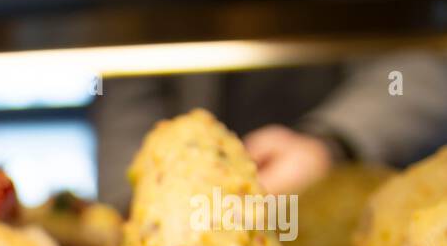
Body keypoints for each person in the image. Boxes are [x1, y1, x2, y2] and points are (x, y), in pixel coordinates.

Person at [92, 49, 447, 205]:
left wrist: (326, 144)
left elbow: (421, 67)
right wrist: (140, 200)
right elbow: (127, 90)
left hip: (343, 243)